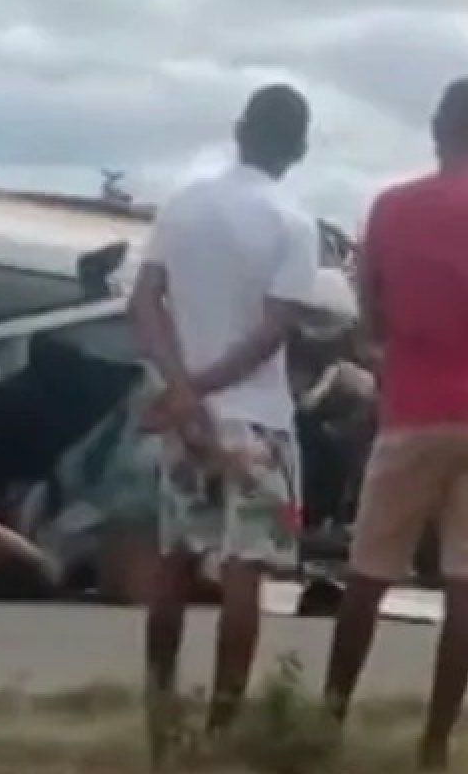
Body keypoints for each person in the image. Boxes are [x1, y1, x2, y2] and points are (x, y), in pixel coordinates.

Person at [322, 78, 468, 770]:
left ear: (437, 127)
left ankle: (329, 717)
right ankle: (436, 743)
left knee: (369, 573)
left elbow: (370, 320)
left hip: (414, 407)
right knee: (467, 586)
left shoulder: (391, 209)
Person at [128, 85, 319, 762]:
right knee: (246, 575)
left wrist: (181, 389)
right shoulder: (294, 224)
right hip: (259, 424)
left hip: (191, 425)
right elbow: (273, 334)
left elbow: (144, 301)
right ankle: (223, 726)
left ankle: (159, 713)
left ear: (239, 130)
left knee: (176, 564)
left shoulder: (183, 205)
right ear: (298, 148)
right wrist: (207, 386)